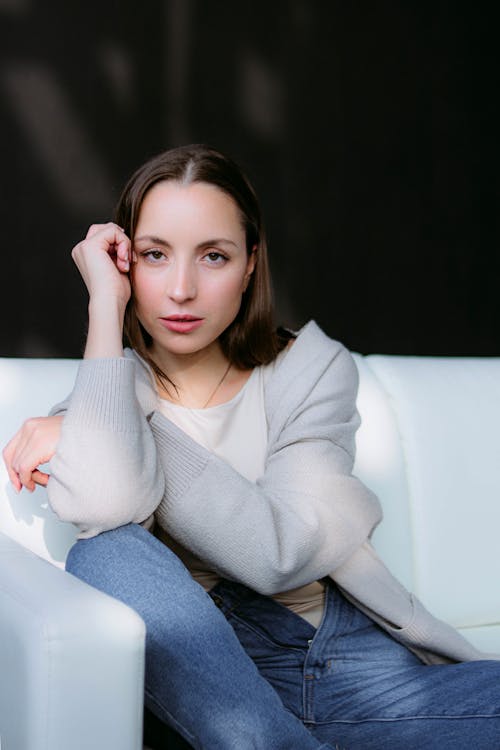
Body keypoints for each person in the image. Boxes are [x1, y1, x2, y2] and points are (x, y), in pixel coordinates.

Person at [3, 144, 500, 750]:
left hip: (344, 662)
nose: (181, 289)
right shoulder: (107, 383)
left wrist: (135, 430)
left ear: (249, 264)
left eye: (213, 256)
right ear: (125, 263)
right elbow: (104, 508)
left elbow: (280, 554)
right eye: (155, 256)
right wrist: (103, 305)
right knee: (106, 552)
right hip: (212, 679)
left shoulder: (310, 369)